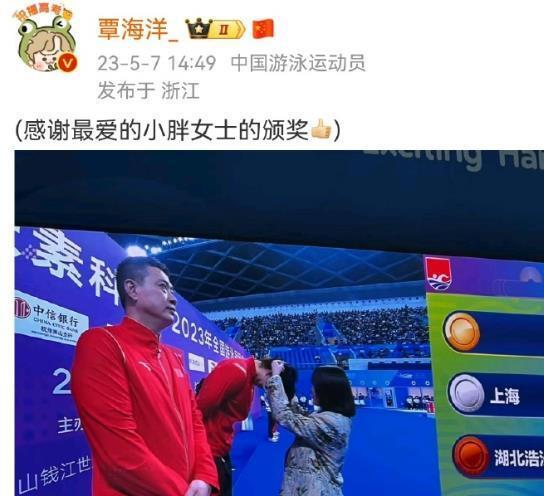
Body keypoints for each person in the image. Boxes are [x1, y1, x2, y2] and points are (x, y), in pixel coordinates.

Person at [71, 257, 218, 496]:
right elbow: (119, 452)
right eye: (162, 287)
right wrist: (181, 492)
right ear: (132, 289)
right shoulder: (103, 343)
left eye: (171, 290)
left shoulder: (173, 357)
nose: (173, 298)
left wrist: (204, 476)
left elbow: (195, 422)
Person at [196, 357, 296, 495]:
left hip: (220, 449)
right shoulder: (236, 370)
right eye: (268, 385)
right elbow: (199, 411)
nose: (266, 389)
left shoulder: (248, 380)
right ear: (269, 373)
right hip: (210, 452)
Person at [266, 363, 355, 496]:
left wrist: (275, 378)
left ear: (327, 391)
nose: (311, 390)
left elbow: (284, 416)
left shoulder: (330, 423)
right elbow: (300, 416)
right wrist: (287, 386)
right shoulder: (329, 418)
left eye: (315, 386)